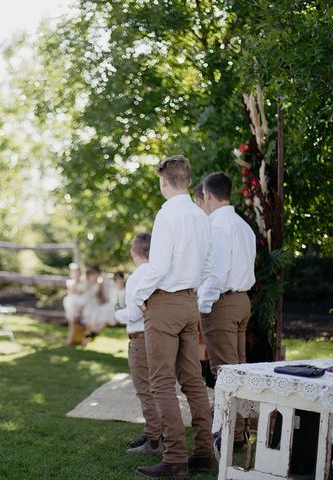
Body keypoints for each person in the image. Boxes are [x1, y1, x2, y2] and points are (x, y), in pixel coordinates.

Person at [132, 155, 216, 478]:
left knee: (162, 381)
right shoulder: (200, 215)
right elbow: (208, 265)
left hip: (165, 303)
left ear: (165, 180)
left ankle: (176, 458)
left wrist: (141, 295)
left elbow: (158, 266)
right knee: (193, 379)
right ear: (187, 179)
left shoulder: (166, 215)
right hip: (190, 303)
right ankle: (205, 453)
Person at [198, 171, 256, 447]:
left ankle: (231, 435)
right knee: (239, 370)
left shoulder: (217, 226)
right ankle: (240, 429)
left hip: (222, 302)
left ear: (207, 194)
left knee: (225, 371)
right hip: (243, 300)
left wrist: (202, 305)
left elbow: (217, 272)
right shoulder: (243, 225)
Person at [115, 233, 162, 455]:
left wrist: (116, 315)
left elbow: (133, 314)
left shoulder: (136, 277)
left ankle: (154, 441)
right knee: (160, 388)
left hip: (140, 339)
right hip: (159, 337)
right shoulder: (161, 274)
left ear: (134, 253)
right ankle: (155, 431)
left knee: (145, 390)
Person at [64, 263, 87, 346]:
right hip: (72, 305)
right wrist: (75, 283)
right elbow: (71, 291)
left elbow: (80, 292)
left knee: (82, 322)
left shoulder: (83, 283)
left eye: (77, 272)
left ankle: (82, 339)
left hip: (81, 305)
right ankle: (71, 338)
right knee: (72, 320)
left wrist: (76, 289)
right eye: (74, 273)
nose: (76, 274)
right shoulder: (70, 282)